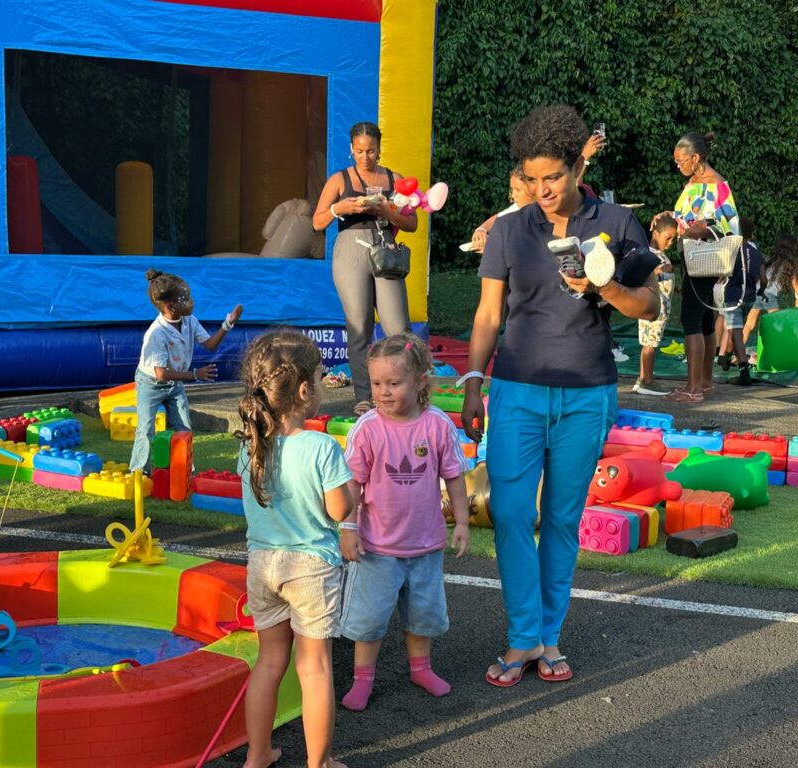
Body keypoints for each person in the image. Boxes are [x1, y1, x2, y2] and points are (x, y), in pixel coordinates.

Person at [460, 105, 659, 687]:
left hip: (586, 393)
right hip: (516, 389)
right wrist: (472, 383)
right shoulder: (508, 230)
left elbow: (650, 306)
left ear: (577, 167)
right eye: (531, 179)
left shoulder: (617, 222)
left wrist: (605, 286)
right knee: (511, 512)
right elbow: (488, 313)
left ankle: (547, 637)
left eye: (553, 177)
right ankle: (523, 635)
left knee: (562, 519)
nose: (542, 190)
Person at [235, 330, 354, 768]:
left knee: (269, 663)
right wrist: (353, 492)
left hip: (263, 565)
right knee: (314, 668)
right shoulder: (321, 446)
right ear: (304, 390)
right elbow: (339, 510)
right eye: (320, 378)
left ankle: (257, 755)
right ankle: (319, 763)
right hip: (310, 569)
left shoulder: (250, 447)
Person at [338, 332, 471, 711]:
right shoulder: (368, 428)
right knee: (370, 620)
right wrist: (348, 528)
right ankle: (362, 679)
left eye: (394, 383)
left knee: (422, 616)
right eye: (377, 383)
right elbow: (352, 484)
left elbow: (454, 476)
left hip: (425, 545)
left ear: (420, 382)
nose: (384, 392)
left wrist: (462, 522)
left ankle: (421, 669)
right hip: (376, 547)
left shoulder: (437, 425)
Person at [313, 122, 418, 417]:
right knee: (359, 326)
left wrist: (387, 211)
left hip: (385, 250)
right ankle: (364, 396)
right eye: (359, 151)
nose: (365, 157)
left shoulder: (394, 178)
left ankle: (407, 391)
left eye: (370, 151)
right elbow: (317, 222)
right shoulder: (340, 179)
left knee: (398, 328)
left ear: (379, 149)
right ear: (351, 149)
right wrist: (340, 209)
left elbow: (412, 223)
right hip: (351, 250)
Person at [128, 269, 241, 473]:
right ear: (171, 307)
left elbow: (210, 345)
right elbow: (161, 373)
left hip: (175, 384)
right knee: (145, 429)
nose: (191, 302)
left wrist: (227, 324)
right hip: (151, 384)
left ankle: (184, 469)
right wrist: (195, 375)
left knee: (184, 428)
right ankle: (139, 472)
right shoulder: (156, 334)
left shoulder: (190, 321)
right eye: (186, 299)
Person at [663, 131, 740, 404]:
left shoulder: (717, 185)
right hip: (692, 257)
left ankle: (693, 388)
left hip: (705, 258)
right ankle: (705, 383)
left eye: (680, 161)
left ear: (695, 158)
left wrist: (702, 231)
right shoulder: (693, 183)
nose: (678, 166)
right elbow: (686, 216)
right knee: (706, 321)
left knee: (691, 320)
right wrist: (669, 216)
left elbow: (730, 226)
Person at [633, 214, 678, 395]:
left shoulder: (660, 254)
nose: (671, 242)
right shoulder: (649, 254)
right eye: (668, 238)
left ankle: (642, 378)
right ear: (656, 234)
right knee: (649, 344)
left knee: (650, 343)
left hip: (661, 308)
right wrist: (660, 270)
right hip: (653, 308)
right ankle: (647, 382)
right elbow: (641, 275)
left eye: (674, 239)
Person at [716, 216, 762, 386]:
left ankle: (743, 369)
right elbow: (763, 278)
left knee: (734, 331)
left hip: (733, 295)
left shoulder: (732, 250)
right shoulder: (756, 252)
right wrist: (761, 290)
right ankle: (726, 357)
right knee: (736, 329)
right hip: (749, 295)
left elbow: (722, 272)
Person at [742, 231, 798, 347]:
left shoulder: (769, 260)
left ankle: (738, 352)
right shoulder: (788, 265)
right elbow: (796, 285)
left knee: (749, 324)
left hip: (759, 292)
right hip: (769, 295)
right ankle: (782, 348)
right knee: (778, 323)